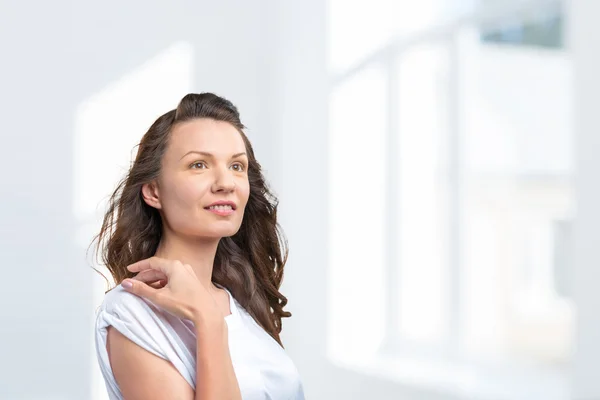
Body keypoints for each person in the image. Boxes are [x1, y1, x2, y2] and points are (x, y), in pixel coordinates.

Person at [91, 93, 305, 399]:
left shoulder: (239, 300)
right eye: (199, 164)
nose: (225, 183)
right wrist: (208, 320)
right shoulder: (133, 314)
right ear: (153, 191)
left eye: (236, 166)